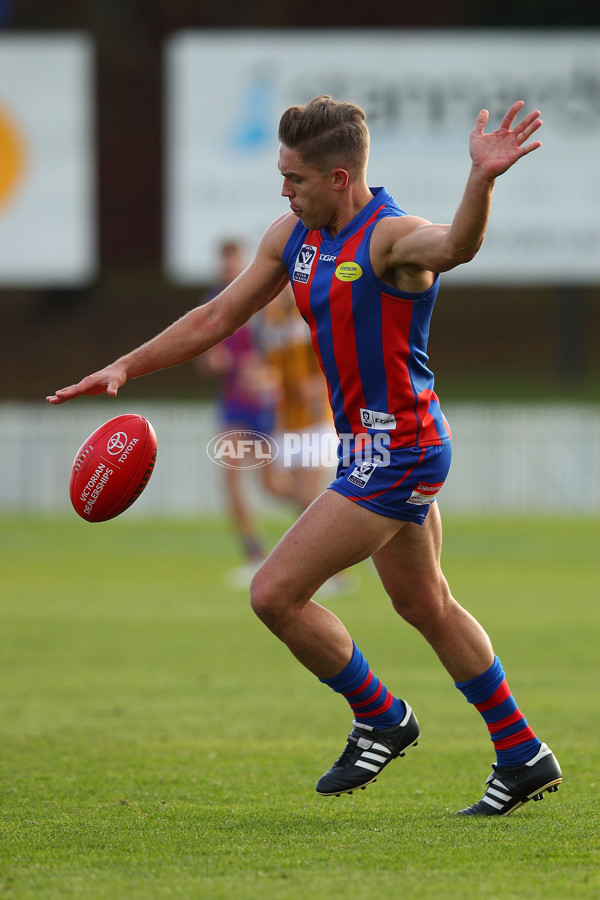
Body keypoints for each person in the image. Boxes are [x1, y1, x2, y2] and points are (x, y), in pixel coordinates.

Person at [47, 95, 562, 816]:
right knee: (425, 603)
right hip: (372, 449)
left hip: (401, 453)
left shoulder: (391, 238)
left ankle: (382, 717)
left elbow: (455, 248)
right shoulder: (295, 236)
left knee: (273, 594)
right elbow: (217, 317)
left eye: (294, 177)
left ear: (340, 178)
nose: (283, 189)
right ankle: (523, 754)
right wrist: (125, 367)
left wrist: (481, 181)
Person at [195, 239, 280, 582]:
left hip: (265, 405)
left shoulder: (263, 301)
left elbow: (282, 357)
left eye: (234, 263)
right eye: (225, 264)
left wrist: (265, 375)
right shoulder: (213, 303)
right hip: (234, 407)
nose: (229, 270)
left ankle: (332, 537)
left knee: (273, 485)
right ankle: (255, 553)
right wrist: (216, 362)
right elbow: (205, 358)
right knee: (230, 478)